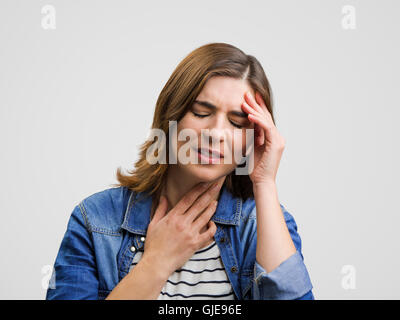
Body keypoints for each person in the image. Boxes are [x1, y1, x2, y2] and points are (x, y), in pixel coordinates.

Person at [46, 42, 314, 300]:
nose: (216, 133)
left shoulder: (263, 224)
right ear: (170, 116)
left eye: (236, 122)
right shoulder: (95, 220)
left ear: (254, 138)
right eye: (200, 112)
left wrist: (265, 183)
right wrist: (156, 263)